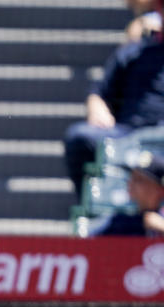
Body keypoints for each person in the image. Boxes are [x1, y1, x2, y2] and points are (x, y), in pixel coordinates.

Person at [64, 0, 164, 198]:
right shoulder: (133, 51)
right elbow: (99, 94)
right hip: (130, 135)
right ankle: (93, 208)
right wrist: (96, 106)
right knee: (80, 136)